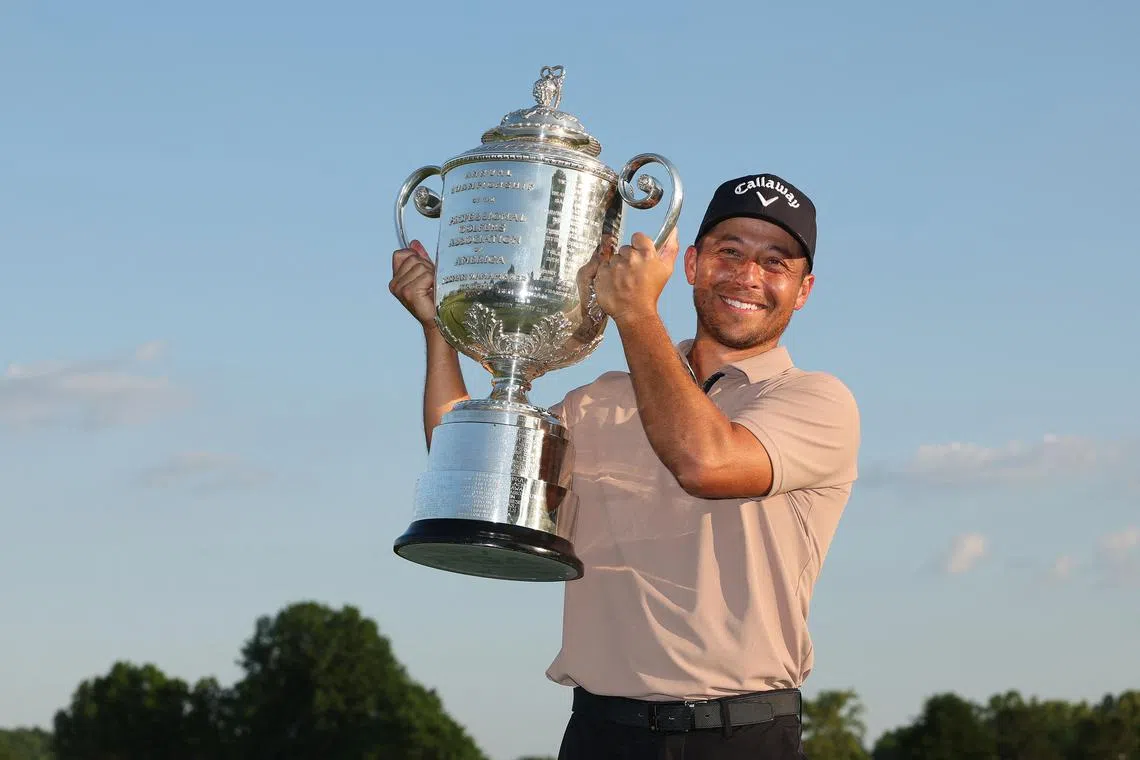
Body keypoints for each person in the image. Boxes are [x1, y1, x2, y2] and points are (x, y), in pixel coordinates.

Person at [390, 173, 860, 760]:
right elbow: (469, 468)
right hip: (602, 734)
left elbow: (705, 463)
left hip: (742, 737)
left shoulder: (815, 400)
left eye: (775, 263)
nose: (747, 276)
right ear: (691, 263)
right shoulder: (600, 400)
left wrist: (637, 315)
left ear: (804, 289)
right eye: (729, 252)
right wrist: (439, 329)